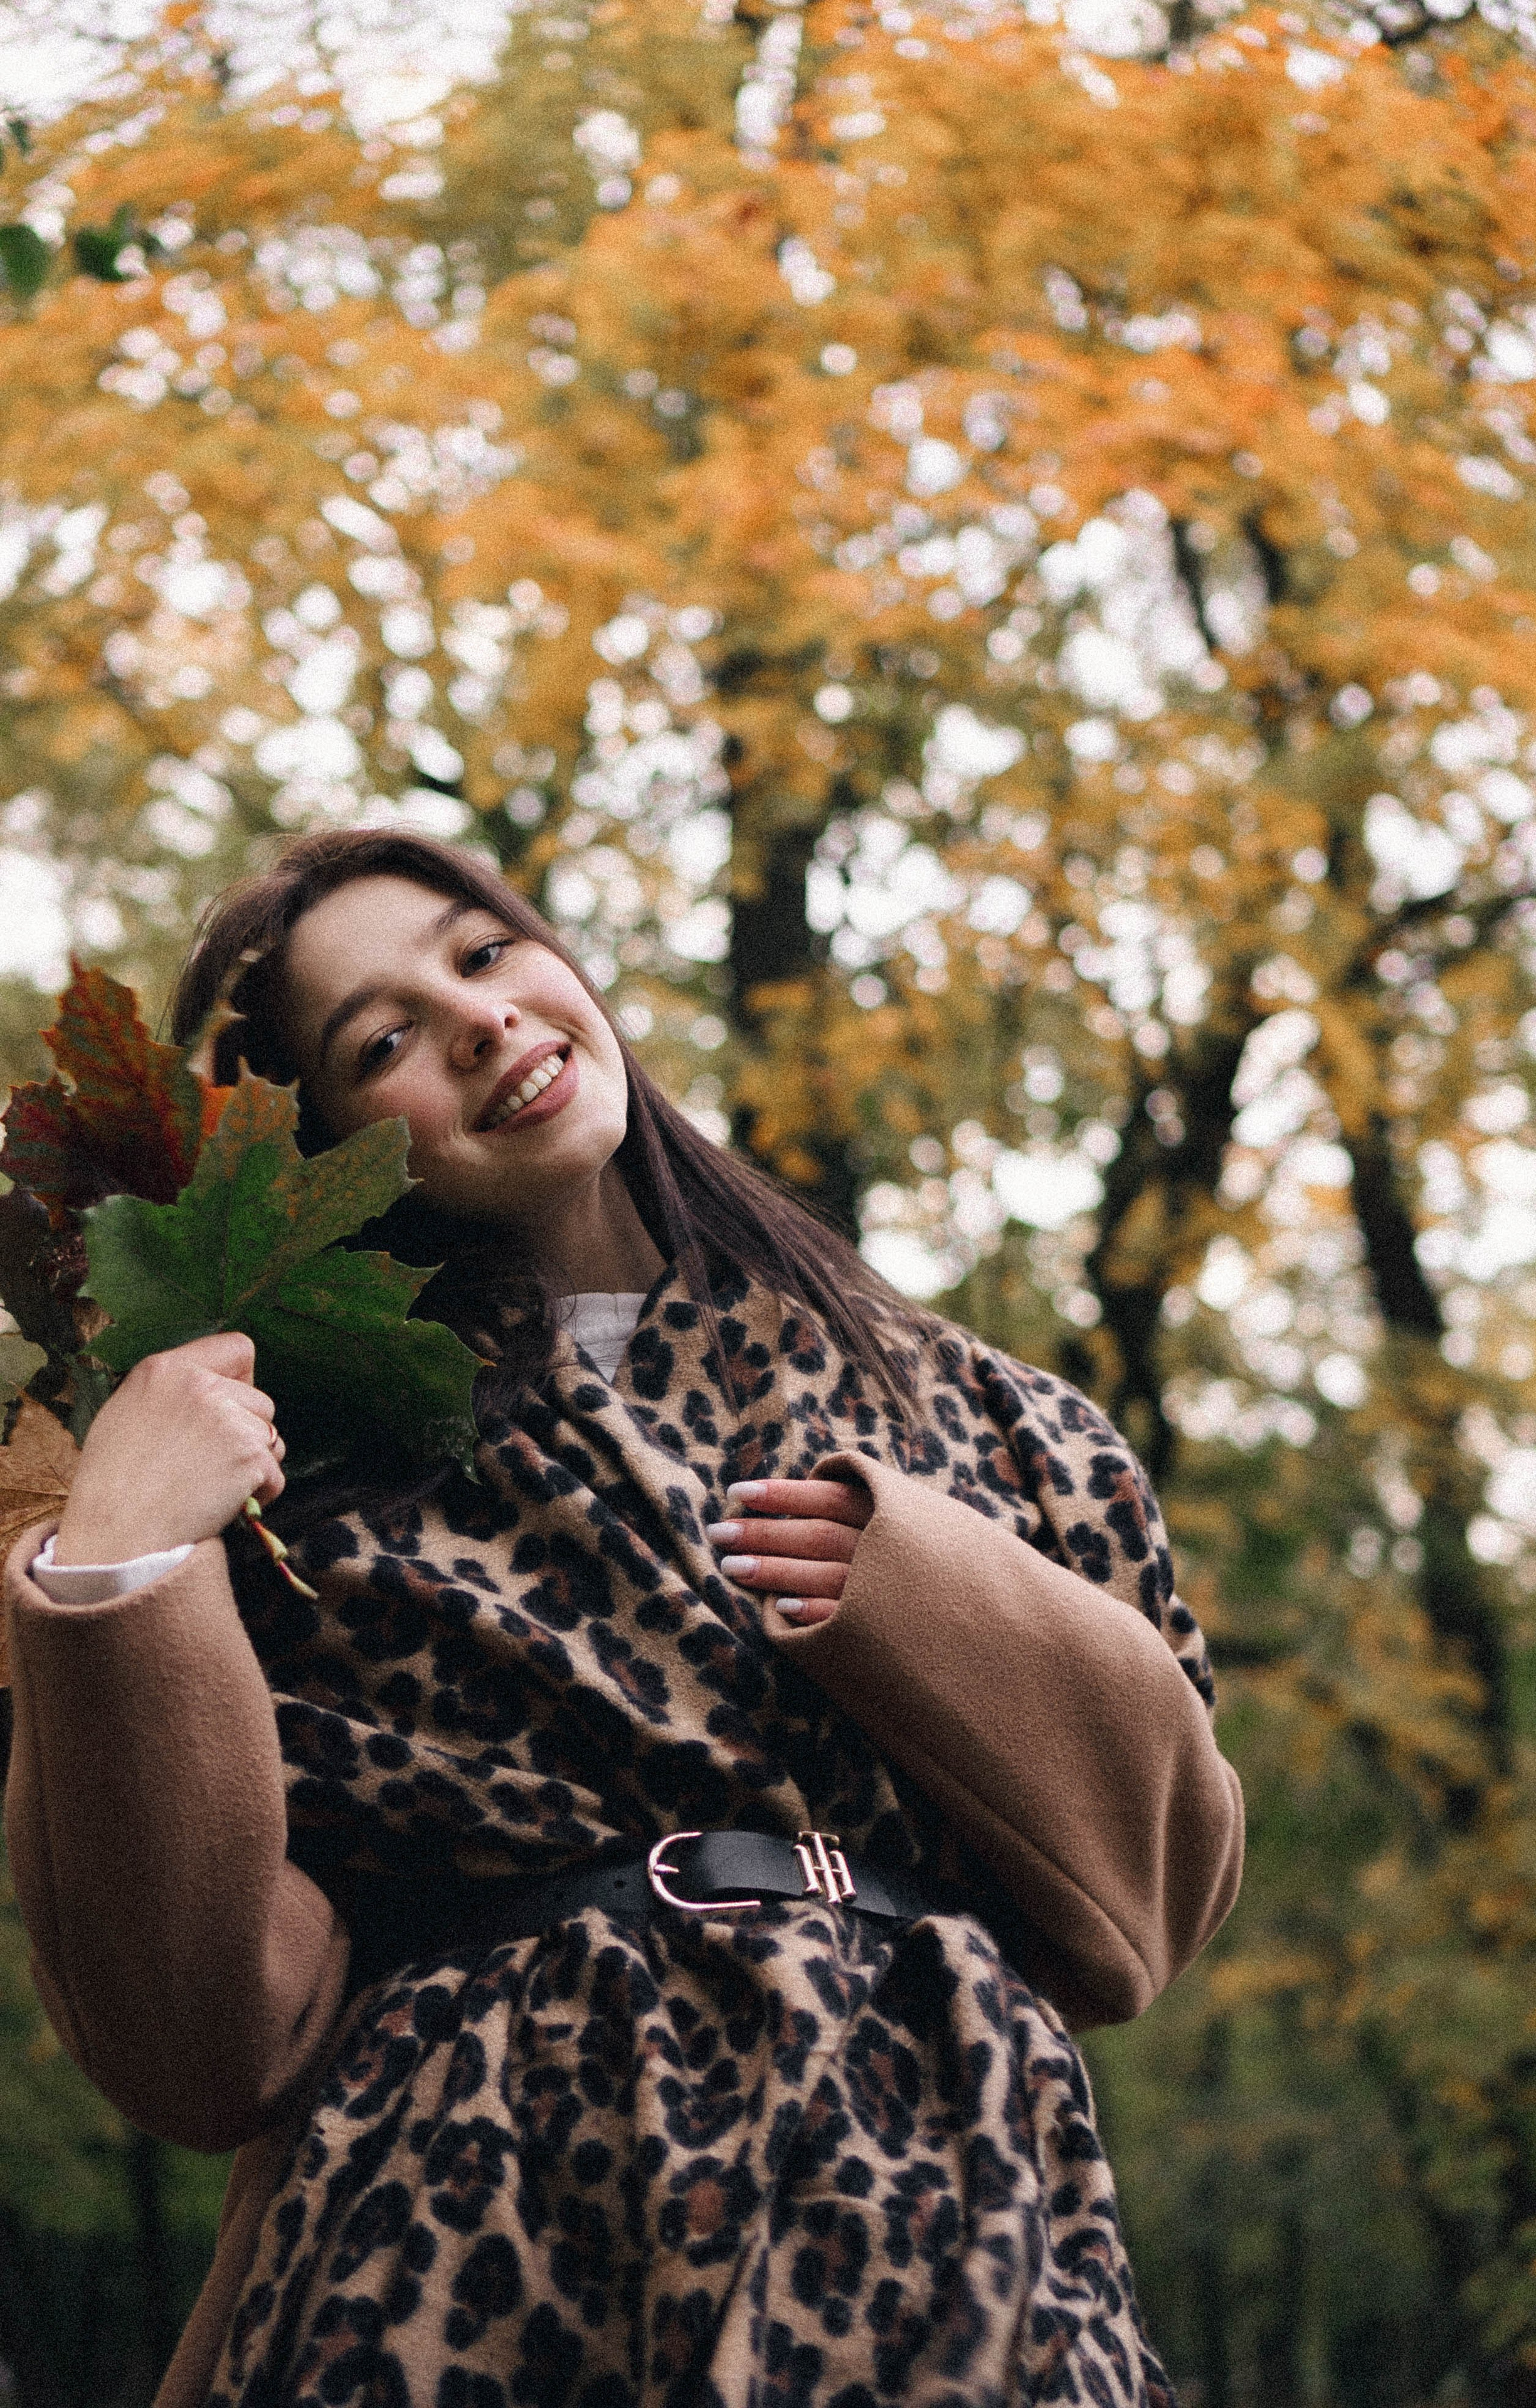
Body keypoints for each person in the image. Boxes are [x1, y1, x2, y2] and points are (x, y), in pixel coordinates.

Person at [3, 830, 1243, 2408]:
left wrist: (924, 1591)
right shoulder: (289, 1490)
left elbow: (1160, 1898)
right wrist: (117, 1573)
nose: (477, 1020)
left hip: (937, 2217)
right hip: (458, 2250)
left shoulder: (989, 1418)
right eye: (379, 1040)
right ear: (321, 1150)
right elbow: (196, 2043)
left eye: (482, 952)